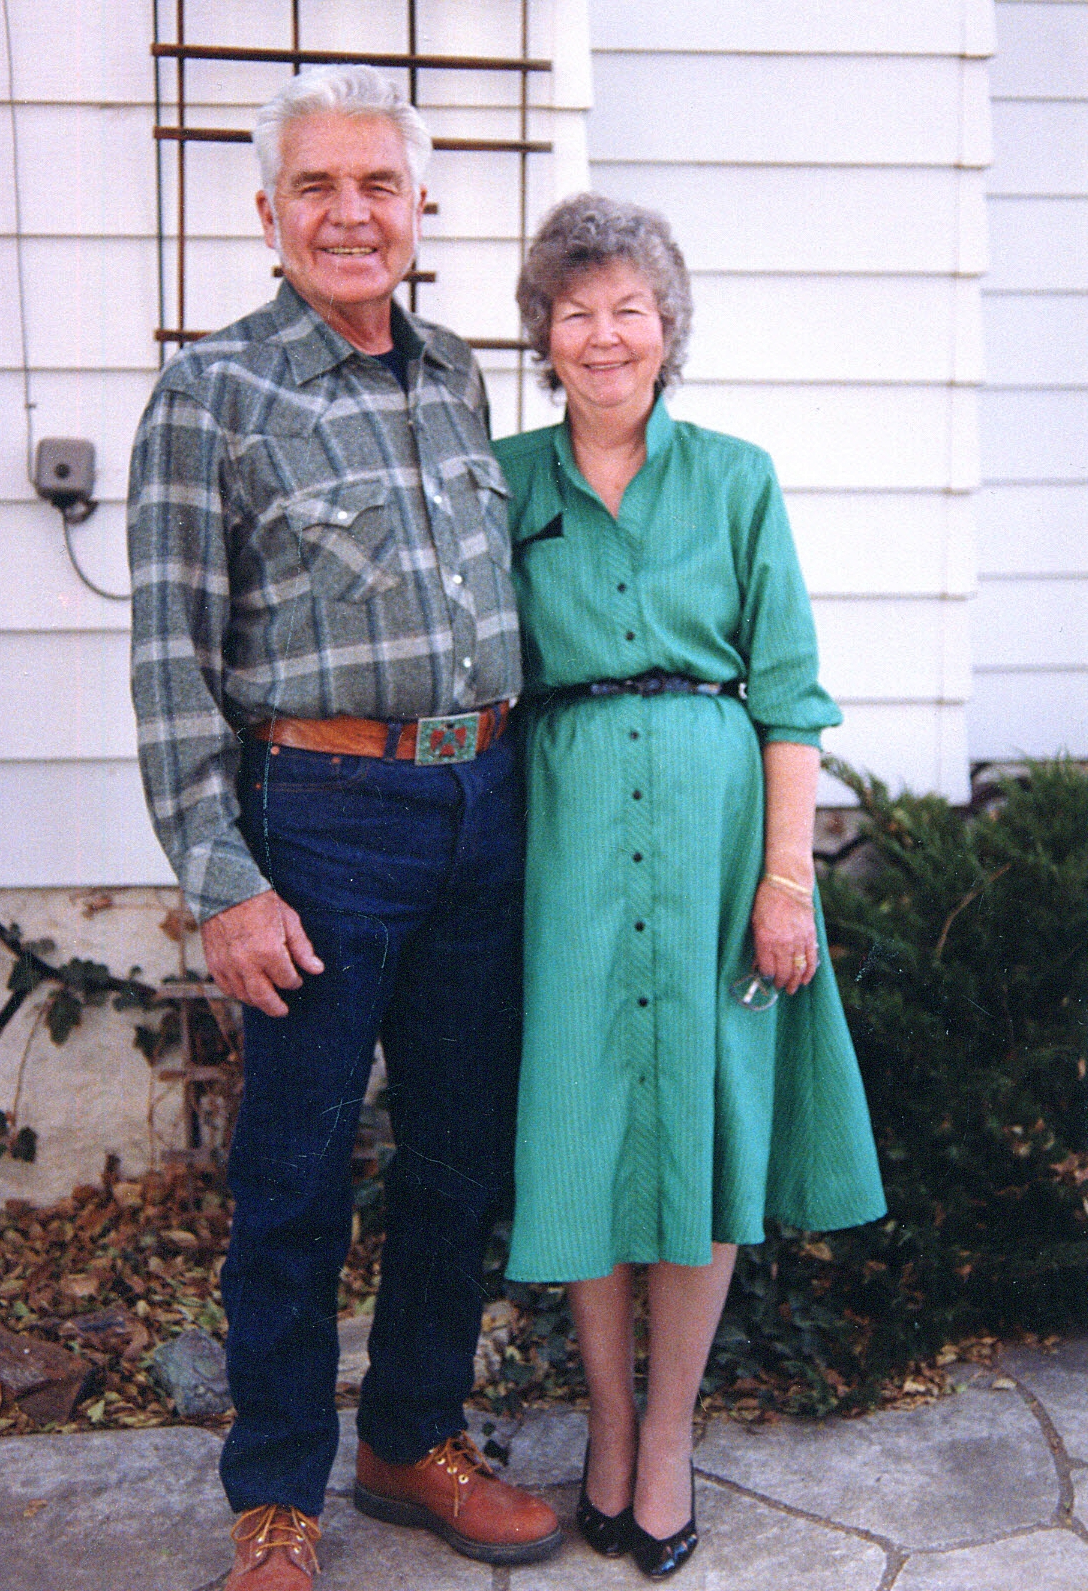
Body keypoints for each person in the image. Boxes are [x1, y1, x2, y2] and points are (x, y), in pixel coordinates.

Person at [127, 66, 561, 1590]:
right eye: (315, 187)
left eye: (377, 183)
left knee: (458, 1154)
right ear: (268, 214)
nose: (349, 213)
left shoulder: (454, 376)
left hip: (483, 803)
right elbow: (169, 657)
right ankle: (274, 1498)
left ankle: (409, 1440)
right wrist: (221, 881)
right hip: (320, 820)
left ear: (419, 205)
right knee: (296, 1176)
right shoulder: (211, 394)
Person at [492, 194, 886, 1580]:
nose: (604, 335)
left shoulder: (736, 479)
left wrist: (788, 881)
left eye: (629, 309)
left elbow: (789, 696)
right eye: (576, 311)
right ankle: (605, 1427)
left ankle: (667, 1439)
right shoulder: (504, 482)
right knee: (585, 1130)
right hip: (564, 851)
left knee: (704, 1127)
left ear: (667, 329)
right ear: (544, 333)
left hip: (718, 844)